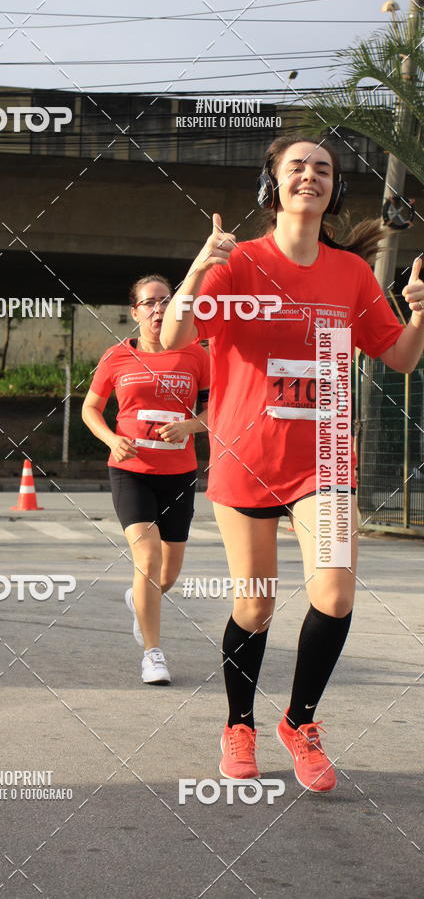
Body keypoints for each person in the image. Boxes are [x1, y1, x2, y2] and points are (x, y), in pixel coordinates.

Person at [161, 134, 424, 790]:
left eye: (324, 169)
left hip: (328, 457)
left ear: (334, 189)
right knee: (255, 606)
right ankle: (239, 724)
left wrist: (419, 316)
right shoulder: (241, 262)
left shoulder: (351, 274)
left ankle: (299, 722)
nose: (311, 176)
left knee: (333, 593)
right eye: (297, 166)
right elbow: (174, 336)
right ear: (272, 183)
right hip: (247, 454)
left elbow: (399, 356)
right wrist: (198, 267)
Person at [82, 275, 210, 684]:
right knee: (149, 558)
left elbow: (216, 413)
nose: (158, 309)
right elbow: (90, 409)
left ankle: (139, 597)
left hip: (179, 474)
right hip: (130, 472)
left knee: (166, 575)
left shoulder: (197, 355)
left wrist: (190, 427)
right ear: (135, 311)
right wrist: (112, 439)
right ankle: (153, 654)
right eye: (149, 303)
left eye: (165, 301)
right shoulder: (115, 357)